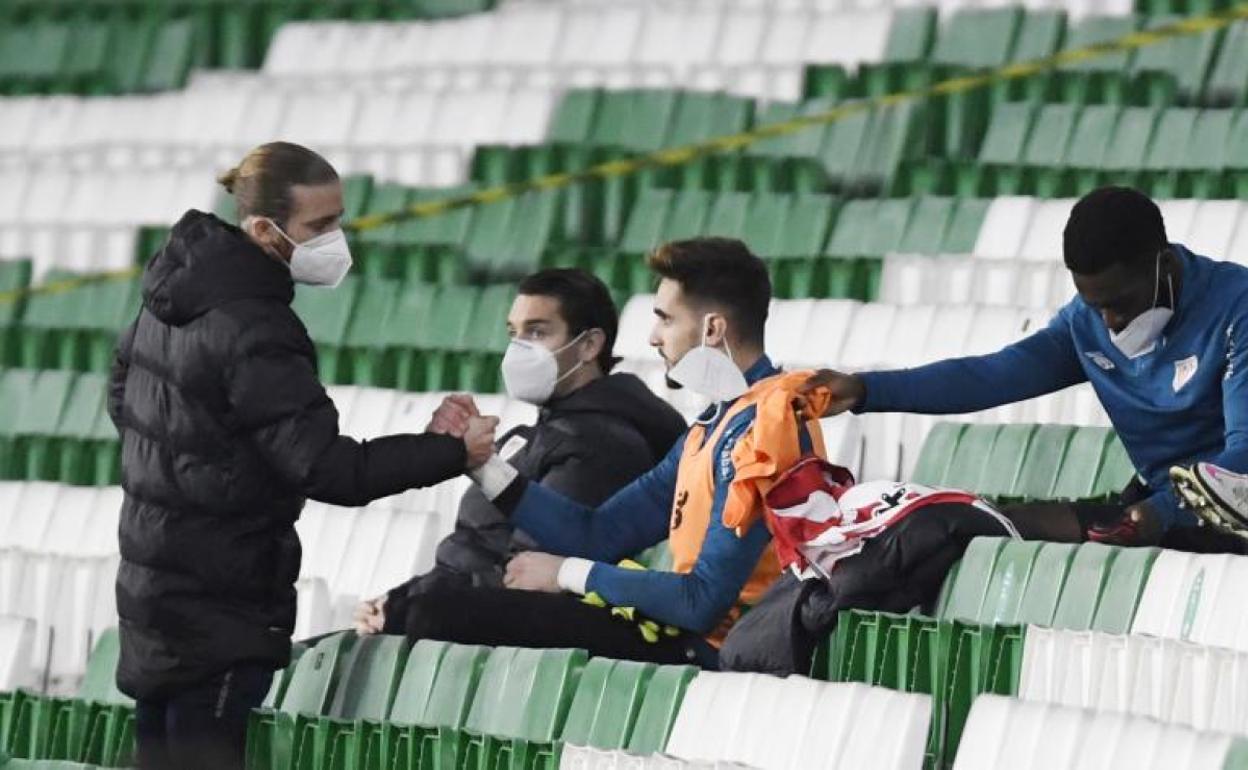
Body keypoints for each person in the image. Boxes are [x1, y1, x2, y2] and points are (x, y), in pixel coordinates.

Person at [107, 141, 497, 770]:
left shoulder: (172, 295)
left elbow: (125, 397)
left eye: (339, 219)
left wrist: (197, 463)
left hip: (154, 580)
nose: (335, 238)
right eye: (319, 225)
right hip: (222, 594)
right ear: (265, 230)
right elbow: (326, 468)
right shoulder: (255, 326)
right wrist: (450, 451)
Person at [391, 237, 828, 668]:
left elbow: (701, 602)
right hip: (687, 633)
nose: (654, 338)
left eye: (666, 320)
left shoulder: (765, 429)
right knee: (442, 610)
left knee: (445, 614)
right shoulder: (715, 423)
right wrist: (483, 465)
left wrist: (565, 573)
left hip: (727, 652)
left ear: (712, 329)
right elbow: (598, 534)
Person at [801, 186, 1248, 548]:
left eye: (1120, 303)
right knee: (982, 528)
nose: (1110, 323)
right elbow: (992, 376)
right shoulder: (1085, 325)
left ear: (1164, 265)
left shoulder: (1236, 309)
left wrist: (1166, 511)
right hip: (1157, 506)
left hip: (1228, 513)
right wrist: (864, 390)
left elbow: (1242, 456)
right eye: (1096, 307)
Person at [353, 268, 687, 636]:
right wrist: (400, 597)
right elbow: (471, 551)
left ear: (589, 346)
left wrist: (410, 609)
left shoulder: (605, 444)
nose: (518, 348)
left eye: (537, 332)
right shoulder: (539, 431)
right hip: (447, 607)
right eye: (514, 333)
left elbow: (521, 574)